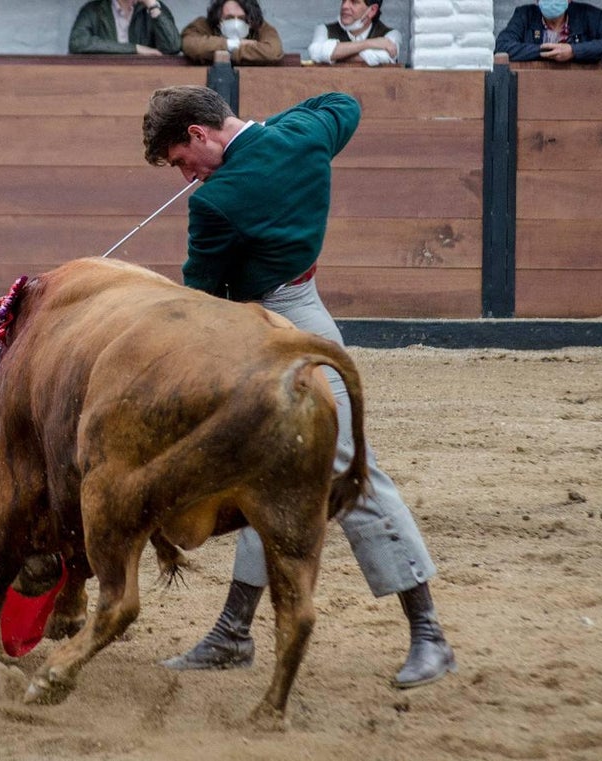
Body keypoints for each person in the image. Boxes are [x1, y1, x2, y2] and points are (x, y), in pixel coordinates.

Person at [141, 86, 456, 689]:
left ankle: (431, 636)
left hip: (263, 329)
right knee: (267, 473)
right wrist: (267, 132)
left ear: (200, 136)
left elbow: (204, 295)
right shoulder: (308, 136)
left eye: (182, 161)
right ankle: (234, 632)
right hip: (307, 312)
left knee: (344, 468)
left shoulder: (217, 202)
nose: (184, 175)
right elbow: (344, 102)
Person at [494, 0, 602, 63]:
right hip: (534, 89)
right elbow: (502, 45)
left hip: (583, 89)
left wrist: (574, 51)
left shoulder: (590, 15)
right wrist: (545, 52)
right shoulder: (524, 15)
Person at [180, 0, 283, 65]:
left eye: (242, 18)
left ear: (251, 20)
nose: (236, 22)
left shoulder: (260, 27)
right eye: (229, 17)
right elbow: (190, 44)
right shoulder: (203, 24)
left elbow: (273, 51)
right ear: (218, 18)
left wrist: (226, 54)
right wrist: (234, 44)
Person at [69, 0, 182, 56]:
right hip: (103, 79)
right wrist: (135, 49)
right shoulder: (94, 9)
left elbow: (173, 47)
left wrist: (152, 6)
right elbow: (77, 43)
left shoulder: (154, 10)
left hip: (145, 80)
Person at [308, 0, 401, 66]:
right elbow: (315, 52)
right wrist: (369, 43)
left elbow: (384, 56)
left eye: (354, 2)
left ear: (372, 10)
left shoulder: (391, 34)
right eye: (344, 0)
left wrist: (333, 55)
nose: (344, 6)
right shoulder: (323, 29)